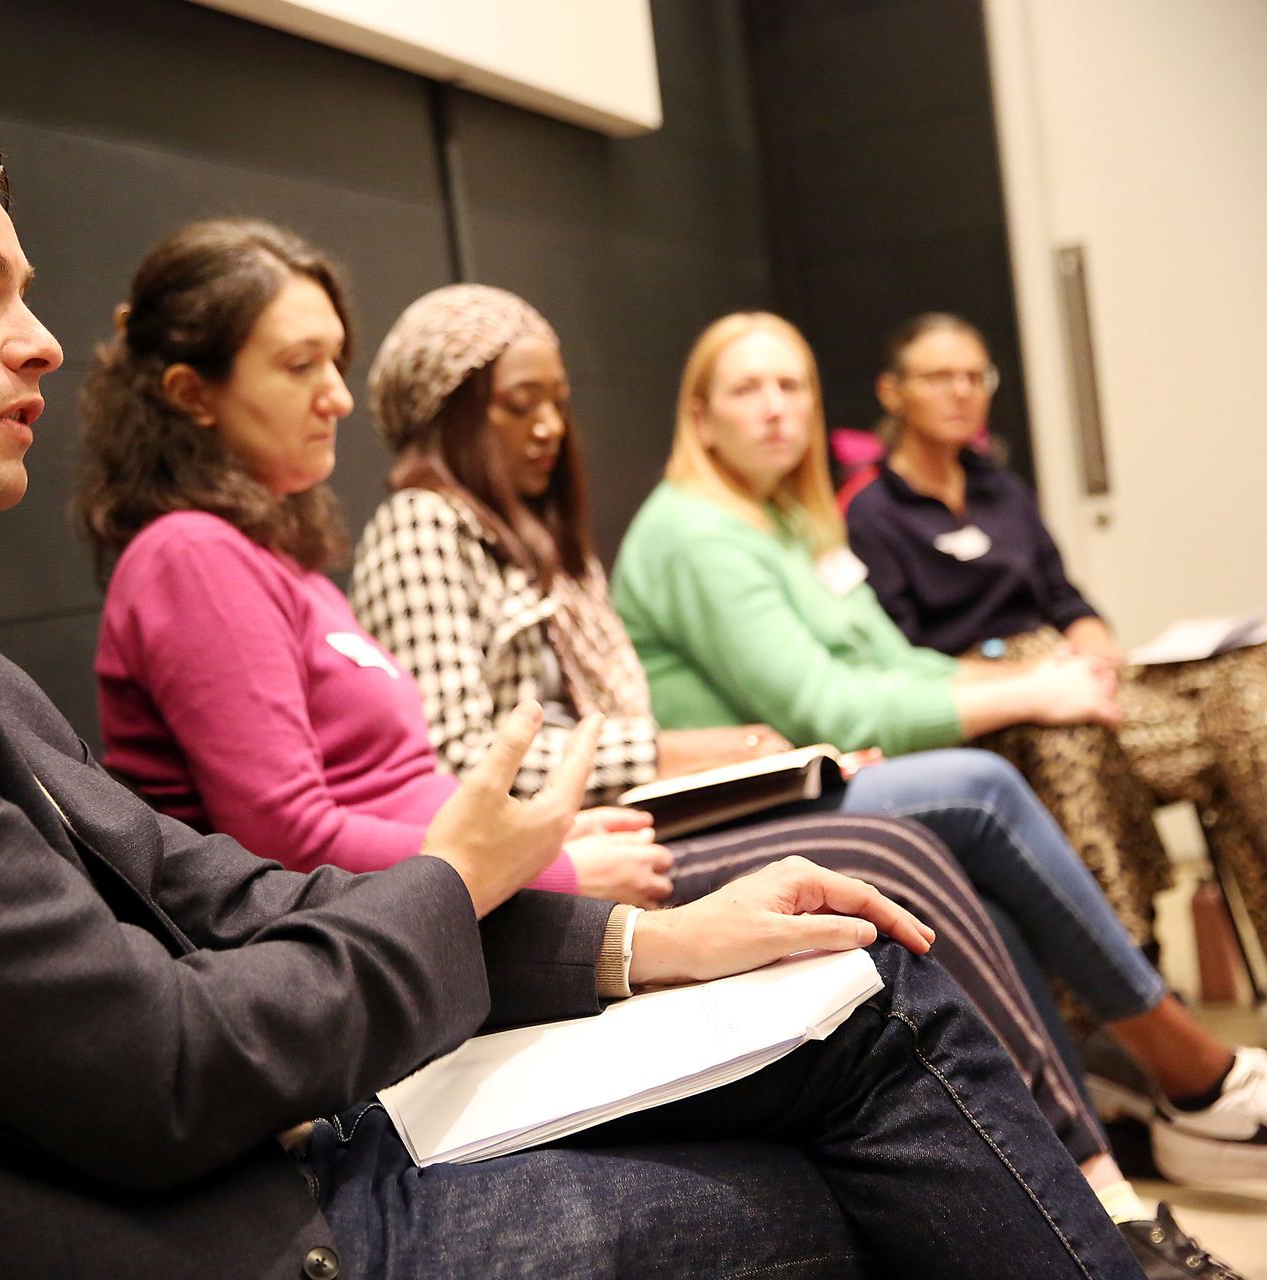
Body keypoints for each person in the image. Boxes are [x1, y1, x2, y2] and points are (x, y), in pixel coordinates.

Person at [0, 119, 1153, 1279]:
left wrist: (635, 943)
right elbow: (165, 1064)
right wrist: (466, 869)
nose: (43, 342)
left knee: (863, 992)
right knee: (874, 1142)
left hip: (267, 1153)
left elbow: (219, 891)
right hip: (225, 1231)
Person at [73, 233, 1212, 1273]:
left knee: (894, 884)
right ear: (194, 394)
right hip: (425, 940)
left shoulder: (288, 561)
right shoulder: (191, 556)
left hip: (490, 888)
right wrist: (561, 861)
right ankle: (1111, 1170)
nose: (335, 397)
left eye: (338, 362)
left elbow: (407, 783)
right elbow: (283, 837)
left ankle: (1084, 1176)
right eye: (299, 365)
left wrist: (558, 842)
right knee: (885, 911)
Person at [608, 308, 1267, 1188]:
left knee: (990, 880)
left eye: (791, 386)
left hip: (832, 769)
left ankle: (1090, 1165)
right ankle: (1185, 1068)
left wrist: (1017, 686)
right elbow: (824, 702)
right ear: (700, 415)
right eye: (746, 389)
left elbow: (896, 662)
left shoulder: (787, 522)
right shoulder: (695, 531)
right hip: (746, 800)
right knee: (983, 785)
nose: (774, 408)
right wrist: (1024, 690)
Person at [846, 310, 1267, 963]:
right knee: (1079, 739)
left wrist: (1092, 637)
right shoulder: (873, 513)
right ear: (892, 392)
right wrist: (1031, 679)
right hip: (990, 698)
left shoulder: (1001, 488)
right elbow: (901, 655)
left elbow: (1063, 596)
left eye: (974, 376)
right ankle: (1129, 968)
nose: (961, 392)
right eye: (938, 377)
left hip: (1067, 667)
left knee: (1244, 706)